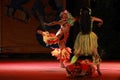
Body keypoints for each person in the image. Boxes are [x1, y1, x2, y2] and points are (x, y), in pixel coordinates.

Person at [70, 7, 103, 75]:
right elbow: (101, 20)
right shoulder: (92, 18)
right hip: (90, 37)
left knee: (77, 54)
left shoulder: (79, 18)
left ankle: (71, 67)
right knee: (95, 54)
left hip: (81, 37)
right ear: (89, 13)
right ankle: (98, 69)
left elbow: (70, 21)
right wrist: (100, 23)